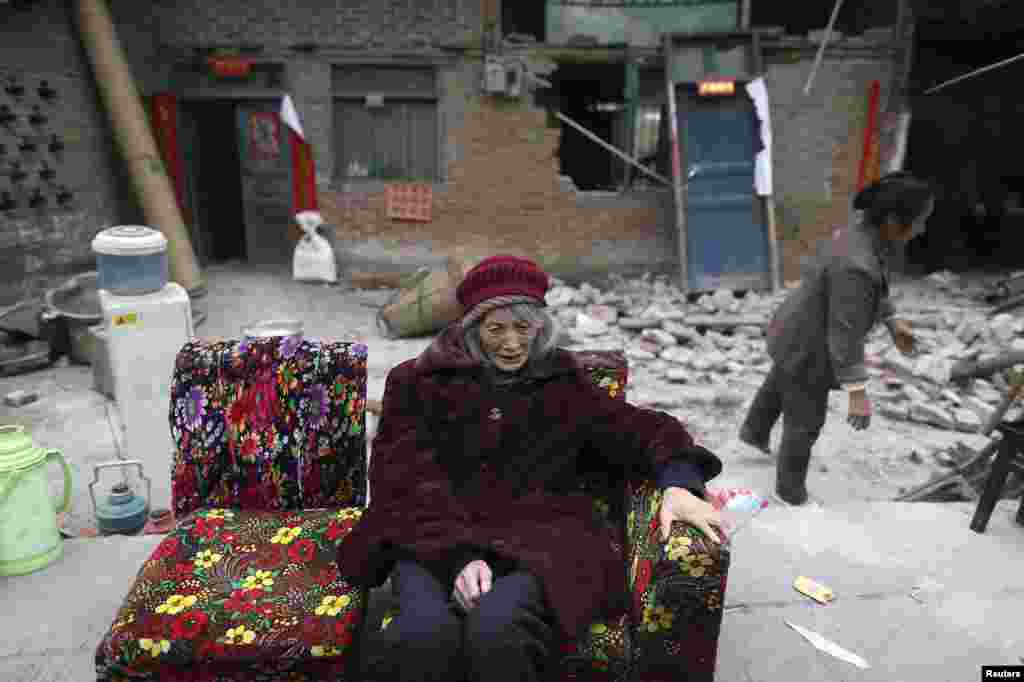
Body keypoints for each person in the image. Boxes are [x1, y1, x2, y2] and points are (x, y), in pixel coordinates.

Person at [336, 255, 723, 682]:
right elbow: (401, 480)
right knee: (421, 635)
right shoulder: (418, 381)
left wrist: (679, 485)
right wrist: (458, 558)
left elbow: (643, 429)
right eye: (496, 328)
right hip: (432, 533)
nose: (511, 343)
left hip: (538, 538)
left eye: (523, 328)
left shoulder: (563, 382)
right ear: (471, 329)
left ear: (539, 327)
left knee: (499, 632)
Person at [738, 172, 935, 506]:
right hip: (809, 345)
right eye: (919, 221)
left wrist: (891, 319)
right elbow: (844, 335)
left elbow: (876, 286)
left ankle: (754, 433)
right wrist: (857, 392)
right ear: (890, 220)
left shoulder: (860, 235)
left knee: (779, 381)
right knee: (805, 420)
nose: (922, 230)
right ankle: (790, 491)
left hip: (793, 328)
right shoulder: (855, 264)